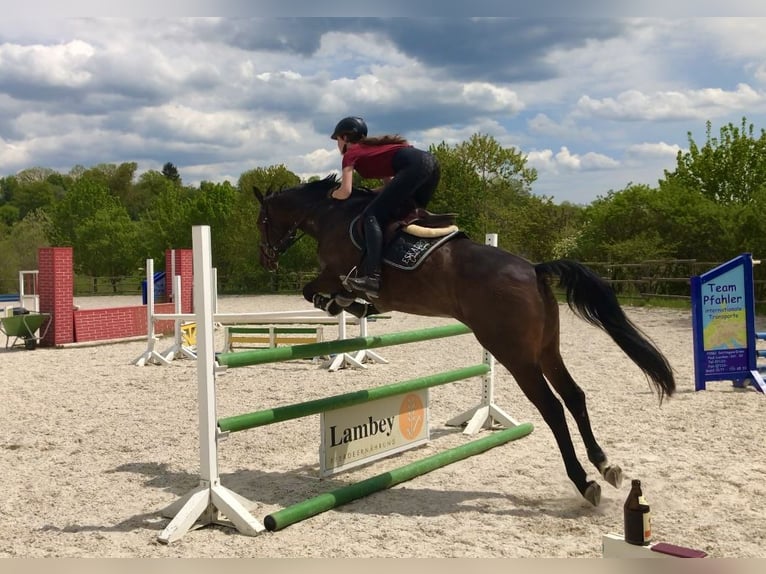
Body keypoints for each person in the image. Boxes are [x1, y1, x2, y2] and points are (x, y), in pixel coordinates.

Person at [330, 116, 441, 298]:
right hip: (431, 164)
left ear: (345, 138)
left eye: (337, 140)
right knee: (407, 213)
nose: (337, 145)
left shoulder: (352, 153)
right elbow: (390, 186)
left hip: (415, 166)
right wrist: (368, 191)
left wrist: (331, 194)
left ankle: (372, 277)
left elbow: (345, 191)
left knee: (371, 215)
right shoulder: (372, 150)